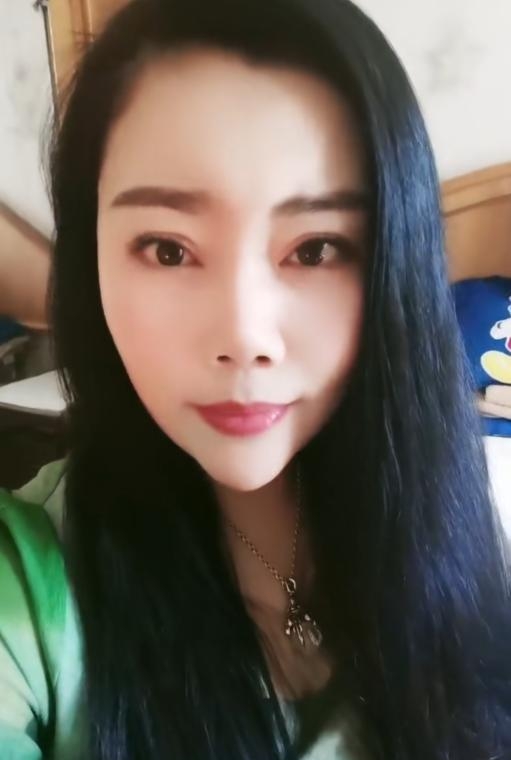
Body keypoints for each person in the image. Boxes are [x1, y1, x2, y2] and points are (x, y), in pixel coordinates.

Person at [0, 0, 510, 757]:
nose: (245, 338)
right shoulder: (28, 587)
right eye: (167, 249)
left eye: (316, 249)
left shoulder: (464, 526)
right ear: (90, 261)